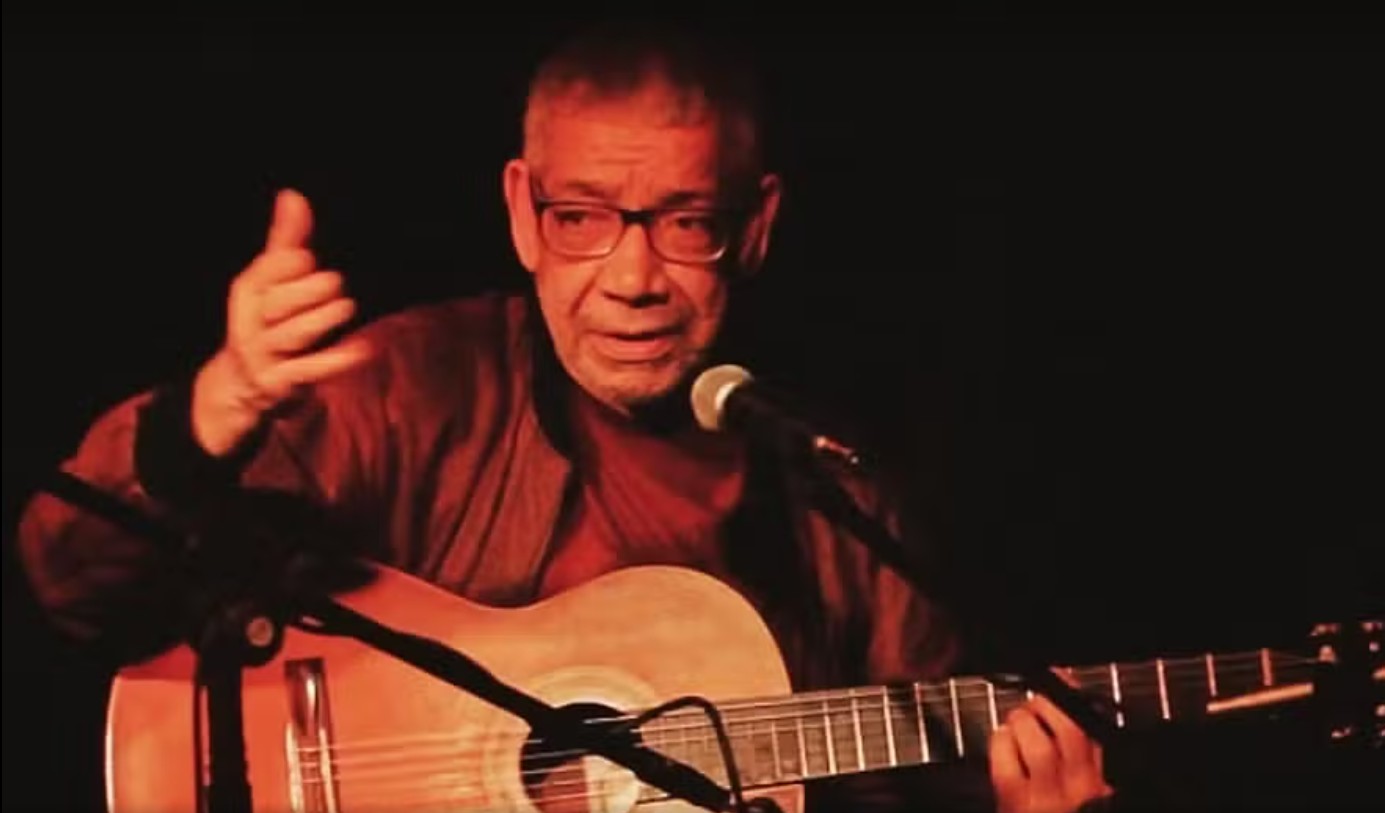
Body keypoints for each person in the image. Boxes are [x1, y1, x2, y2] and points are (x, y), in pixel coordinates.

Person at [16, 18, 1114, 813]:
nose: (632, 279)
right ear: (520, 214)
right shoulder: (409, 387)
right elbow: (68, 580)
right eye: (581, 217)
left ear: (755, 227)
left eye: (685, 222)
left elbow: (911, 768)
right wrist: (214, 410)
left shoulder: (836, 499)